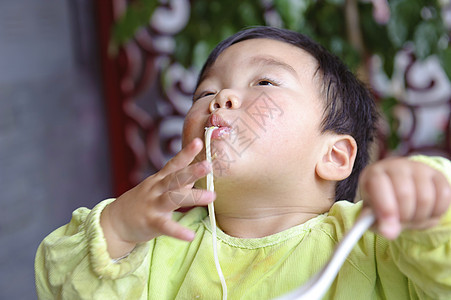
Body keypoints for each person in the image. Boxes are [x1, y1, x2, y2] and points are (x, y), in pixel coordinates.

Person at [35, 26, 451, 299]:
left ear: (334, 156)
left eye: (265, 82)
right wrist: (119, 225)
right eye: (204, 93)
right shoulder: (156, 251)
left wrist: (429, 203)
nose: (221, 98)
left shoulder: (374, 248)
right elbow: (60, 286)